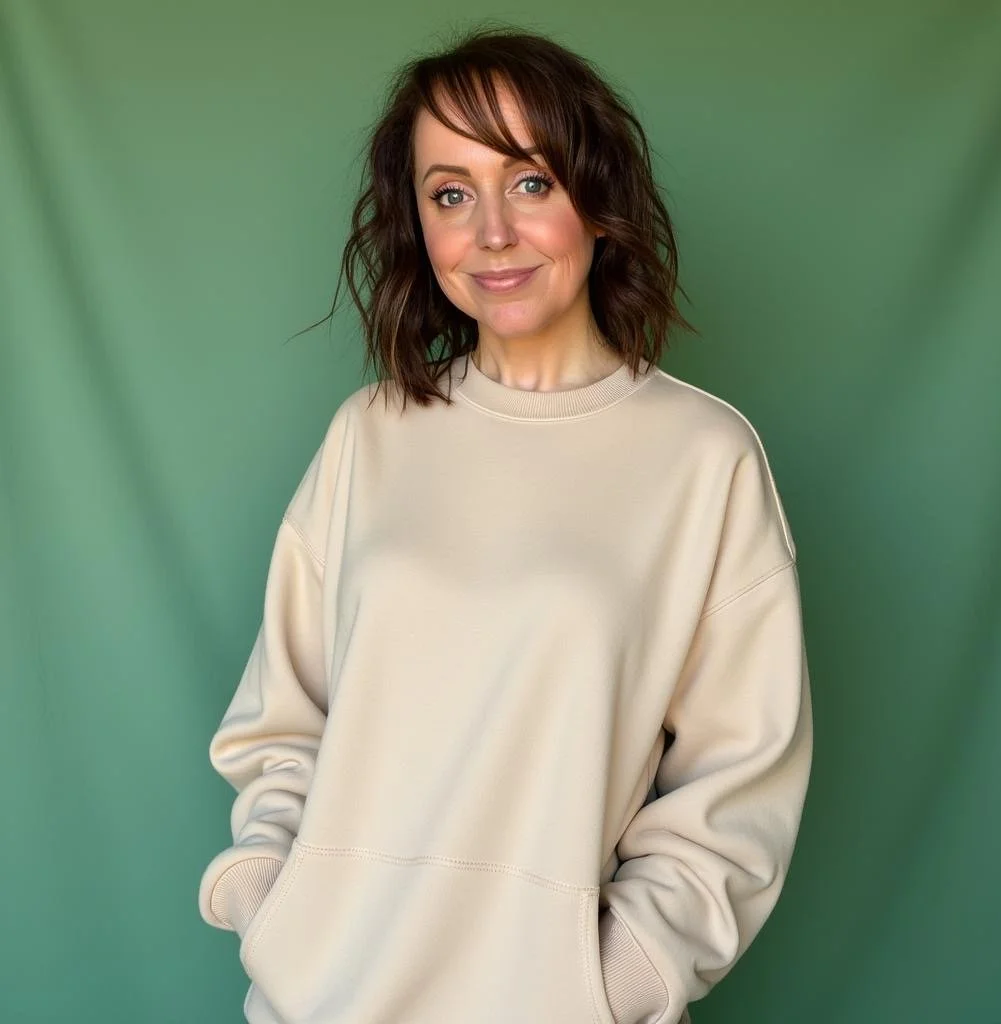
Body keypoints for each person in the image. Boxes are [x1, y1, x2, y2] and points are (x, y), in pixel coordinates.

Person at [197, 24, 812, 1024]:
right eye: (450, 193)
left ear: (596, 205)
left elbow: (738, 784)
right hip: (320, 1002)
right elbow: (282, 718)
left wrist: (618, 981)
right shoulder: (371, 435)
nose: (490, 231)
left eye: (528, 182)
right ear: (420, 227)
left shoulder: (702, 459)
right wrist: (268, 899)